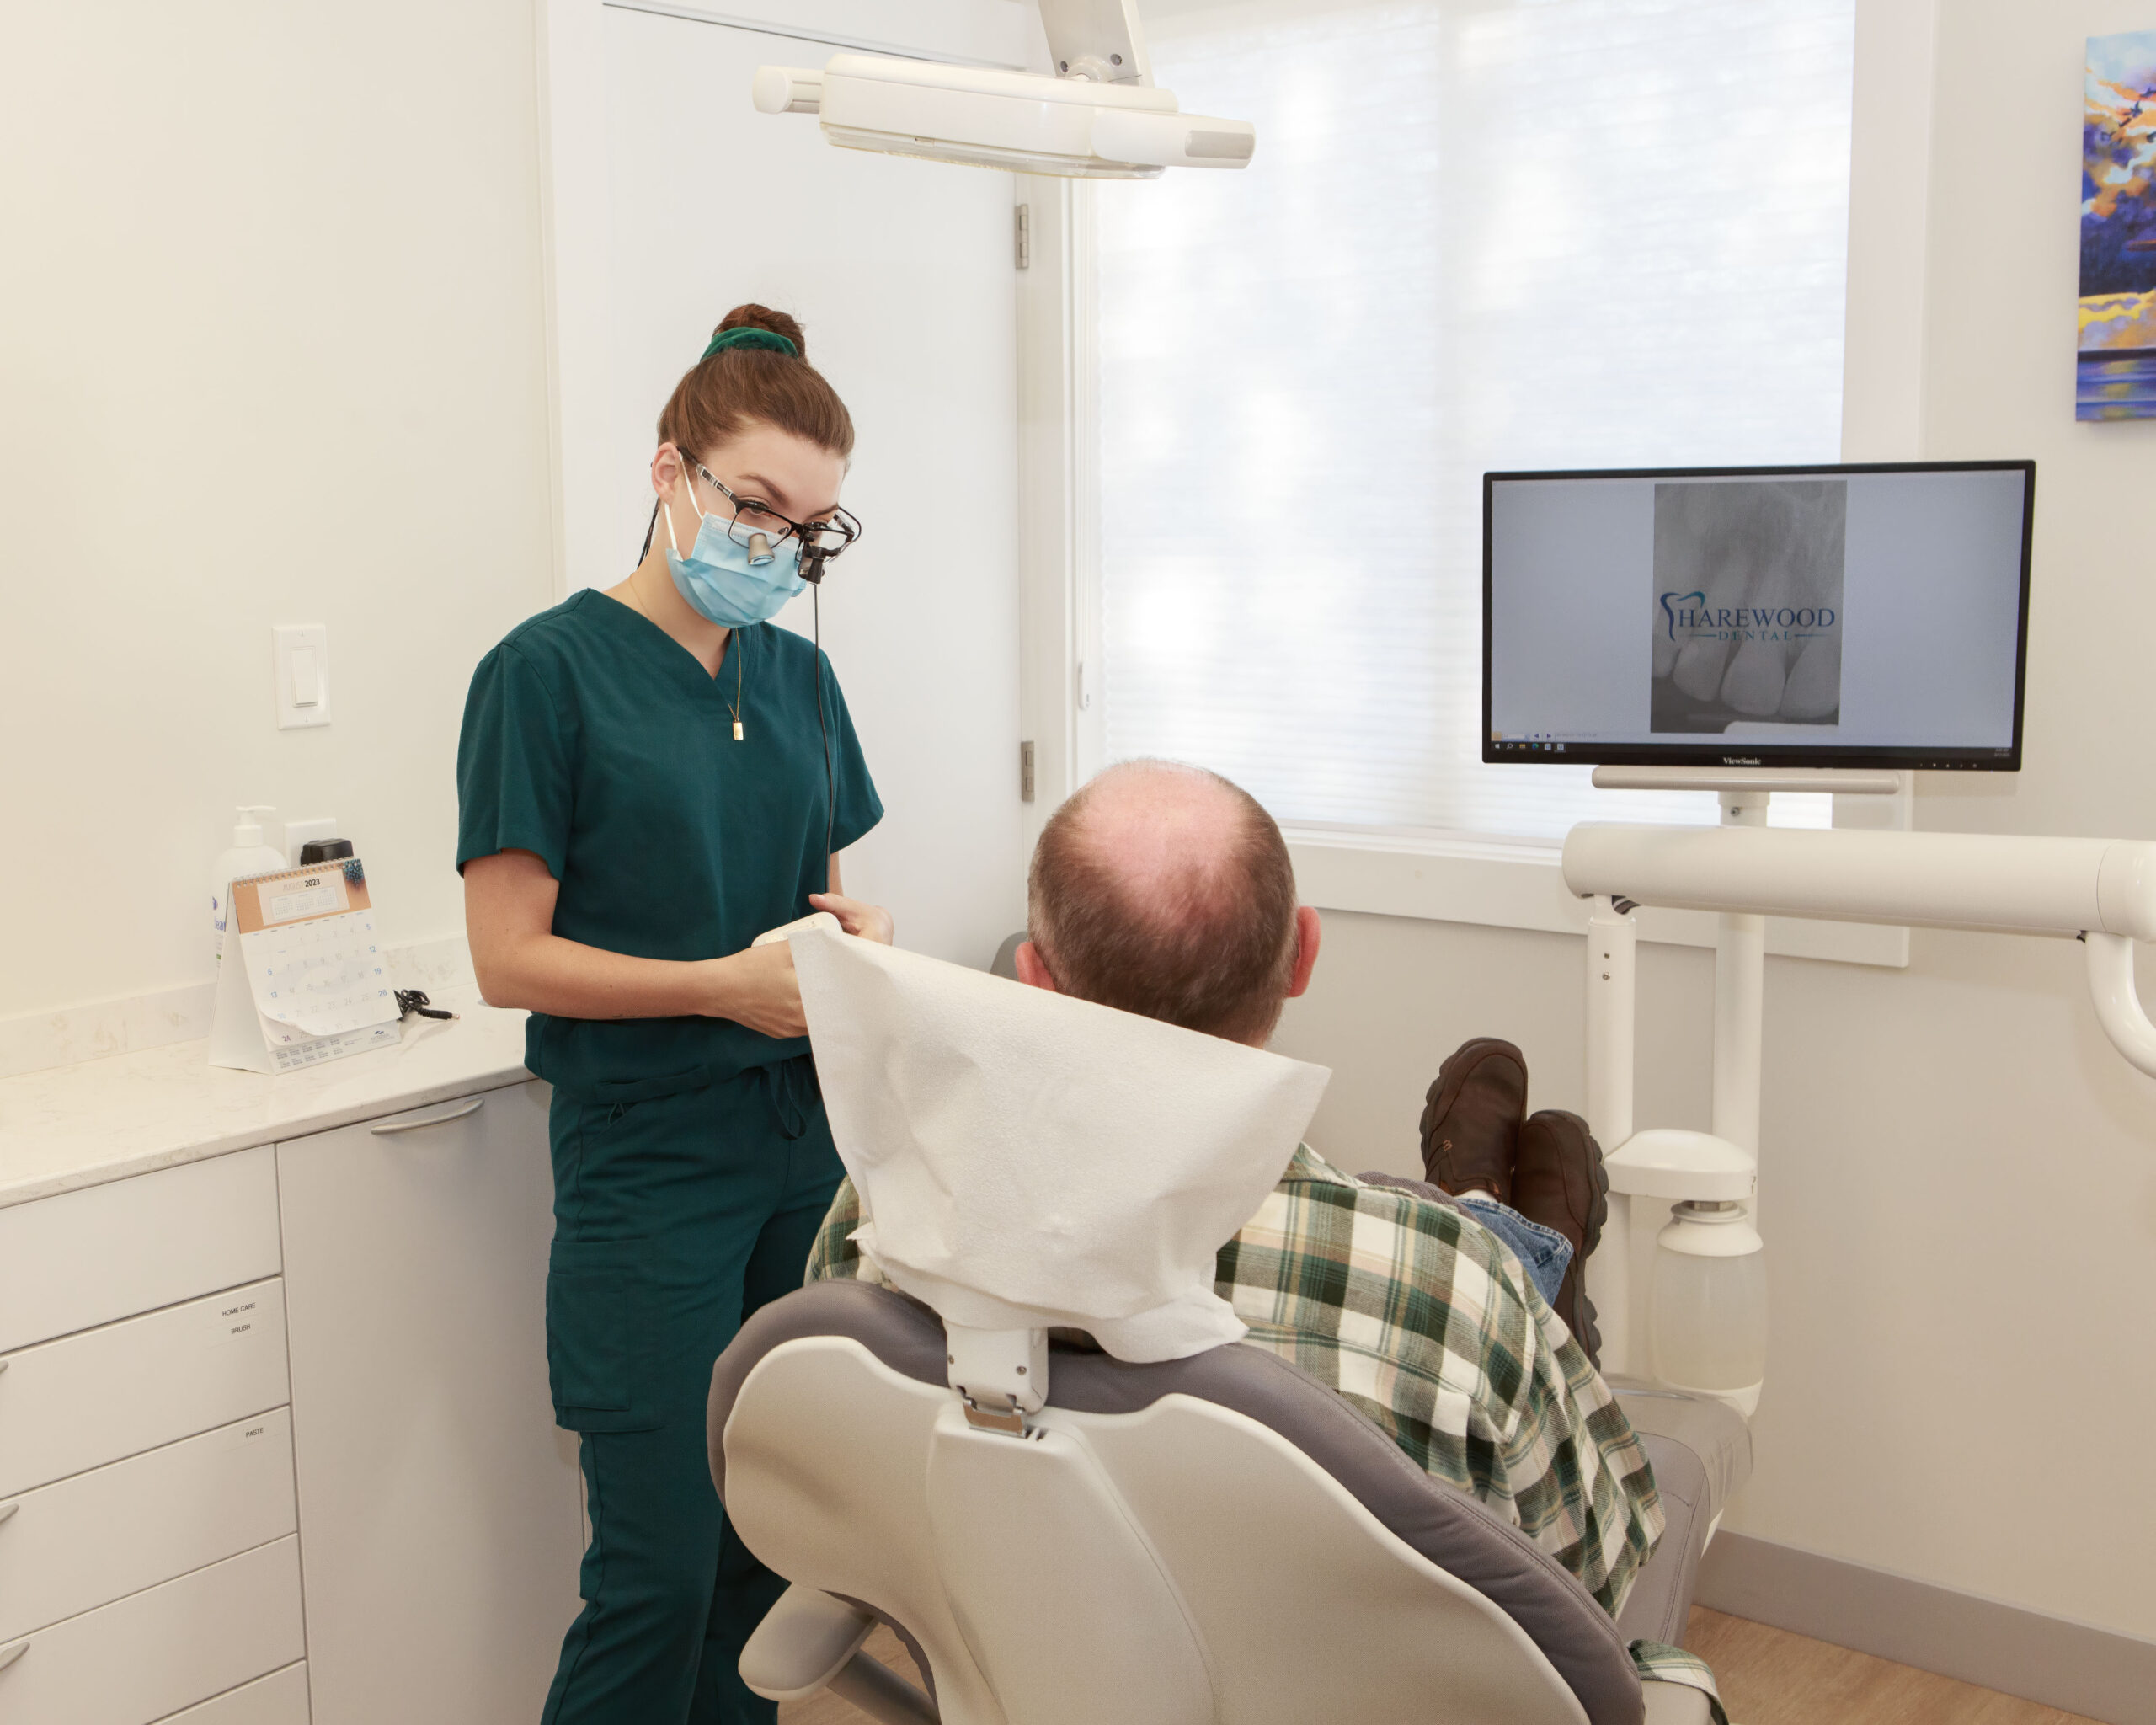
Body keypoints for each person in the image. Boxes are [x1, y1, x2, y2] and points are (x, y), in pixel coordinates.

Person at [805, 758, 1721, 1707]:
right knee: (1529, 1320)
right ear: (1302, 955)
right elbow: (1590, 1581)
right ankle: (1522, 1234)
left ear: (1033, 975)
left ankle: (1505, 1211)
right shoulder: (1442, 1283)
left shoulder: (879, 1219)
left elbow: (840, 1493)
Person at [457, 304, 893, 1725]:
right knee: (655, 1573)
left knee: (770, 1562)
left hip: (800, 1158)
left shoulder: (803, 679)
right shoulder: (545, 674)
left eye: (812, 528)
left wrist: (850, 939)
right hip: (651, 1172)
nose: (778, 545)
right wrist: (718, 986)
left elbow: (822, 894)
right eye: (755, 506)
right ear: (669, 473)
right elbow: (509, 956)